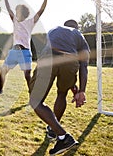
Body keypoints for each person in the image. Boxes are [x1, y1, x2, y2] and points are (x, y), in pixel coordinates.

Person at [29, 19, 90, 155]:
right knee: (62, 94)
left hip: (49, 57)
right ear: (76, 27)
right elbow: (83, 66)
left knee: (36, 101)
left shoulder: (54, 29)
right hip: (71, 61)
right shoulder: (79, 35)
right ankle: (52, 129)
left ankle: (63, 136)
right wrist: (81, 91)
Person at [0, 0, 50, 97]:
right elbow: (8, 9)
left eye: (18, 11)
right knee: (3, 70)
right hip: (14, 52)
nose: (16, 12)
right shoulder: (15, 21)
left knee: (27, 75)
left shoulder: (30, 22)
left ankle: (32, 93)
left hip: (25, 52)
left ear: (24, 13)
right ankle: (0, 89)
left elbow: (41, 10)